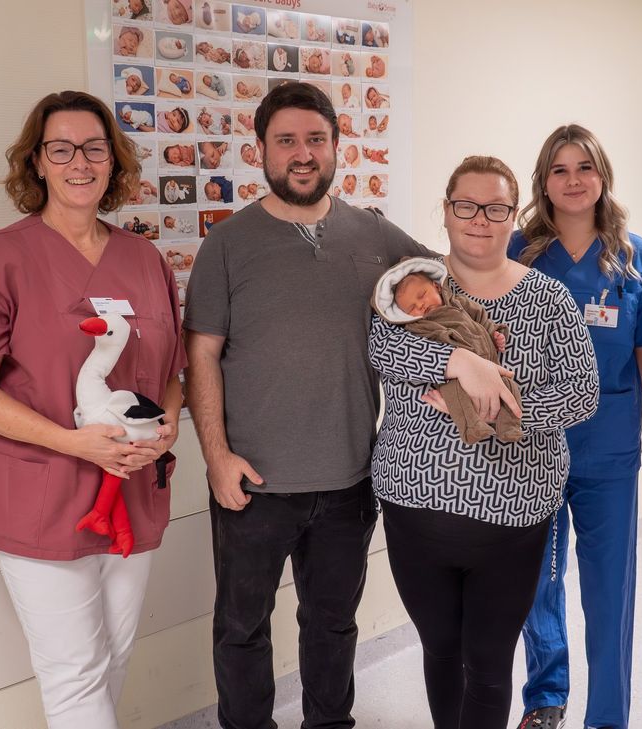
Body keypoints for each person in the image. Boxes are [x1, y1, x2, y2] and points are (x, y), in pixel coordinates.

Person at [183, 81, 435, 729]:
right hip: (252, 483)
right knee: (242, 629)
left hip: (349, 482)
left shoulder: (374, 234)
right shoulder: (227, 243)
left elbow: (451, 280)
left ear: (335, 147)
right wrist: (216, 457)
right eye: (287, 140)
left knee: (332, 625)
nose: (303, 153)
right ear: (260, 150)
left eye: (315, 139)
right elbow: (201, 355)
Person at [0, 91, 184, 729]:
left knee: (112, 657)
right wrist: (75, 443)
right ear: (38, 163)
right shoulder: (1, 257)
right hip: (38, 488)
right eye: (62, 149)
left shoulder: (144, 259)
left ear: (113, 160)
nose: (81, 162)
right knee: (74, 671)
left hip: (130, 488)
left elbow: (172, 373)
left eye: (95, 148)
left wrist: (167, 426)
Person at [368, 155, 599, 729]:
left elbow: (582, 393)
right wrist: (460, 362)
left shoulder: (549, 300)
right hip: (414, 508)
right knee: (441, 650)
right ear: (446, 212)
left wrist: (500, 407)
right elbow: (384, 352)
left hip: (513, 518)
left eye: (496, 208)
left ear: (512, 215)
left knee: (490, 662)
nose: (480, 219)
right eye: (466, 206)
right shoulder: (408, 290)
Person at [510, 124, 642, 729]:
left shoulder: (636, 257)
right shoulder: (518, 251)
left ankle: (608, 715)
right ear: (543, 181)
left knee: (609, 587)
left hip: (608, 445)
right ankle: (546, 699)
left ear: (602, 176)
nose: (573, 181)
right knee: (537, 581)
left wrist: (608, 398)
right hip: (531, 443)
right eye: (559, 169)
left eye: (584, 168)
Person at [373, 258, 522, 444]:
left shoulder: (459, 304)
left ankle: (510, 427)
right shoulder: (420, 325)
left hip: (489, 363)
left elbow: (481, 316)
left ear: (436, 286)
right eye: (411, 308)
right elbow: (425, 345)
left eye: (422, 295)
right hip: (455, 376)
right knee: (454, 395)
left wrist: (495, 333)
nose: (420, 305)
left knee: (508, 386)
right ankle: (471, 428)